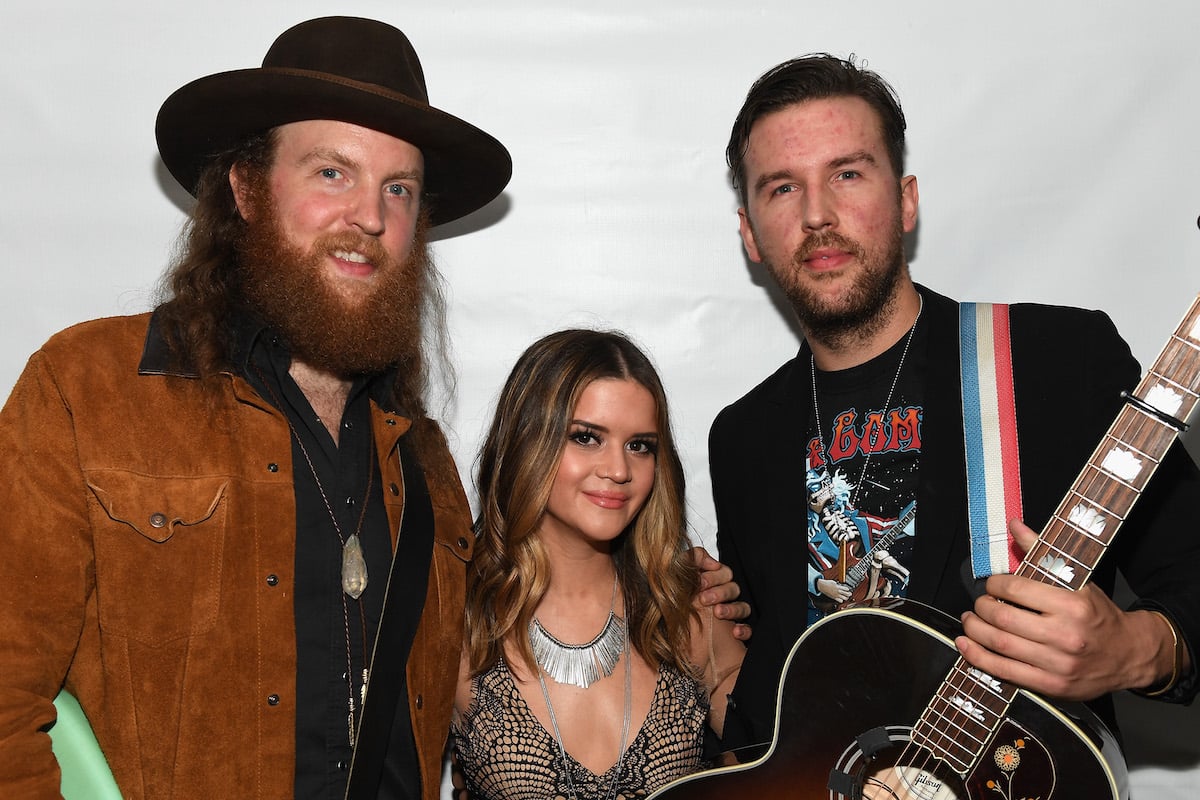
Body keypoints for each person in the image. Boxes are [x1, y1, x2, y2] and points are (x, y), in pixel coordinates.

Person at [0, 17, 747, 800]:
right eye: (332, 173)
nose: (370, 216)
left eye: (399, 189)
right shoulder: (90, 389)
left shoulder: (422, 461)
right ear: (247, 188)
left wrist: (667, 583)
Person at [709, 53, 1200, 756]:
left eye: (848, 173)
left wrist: (1138, 651)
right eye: (783, 188)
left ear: (906, 200)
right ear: (751, 234)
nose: (818, 215)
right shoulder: (744, 437)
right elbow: (774, 710)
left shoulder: (1056, 358)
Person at [451, 329, 744, 799]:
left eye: (639, 445)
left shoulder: (688, 611)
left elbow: (780, 771)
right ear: (528, 441)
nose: (619, 470)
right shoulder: (458, 620)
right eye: (587, 437)